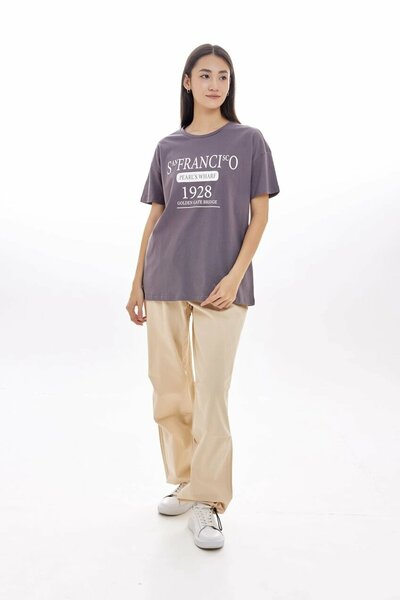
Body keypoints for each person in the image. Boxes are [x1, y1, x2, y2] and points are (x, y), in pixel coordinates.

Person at [126, 43, 280, 550]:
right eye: (206, 75)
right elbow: (156, 217)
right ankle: (188, 481)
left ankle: (209, 502)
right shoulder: (167, 147)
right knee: (169, 390)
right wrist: (136, 282)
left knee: (211, 393)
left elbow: (259, 215)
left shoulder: (249, 140)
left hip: (221, 286)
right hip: (166, 277)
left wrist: (235, 276)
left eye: (224, 76)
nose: (216, 84)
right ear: (188, 82)